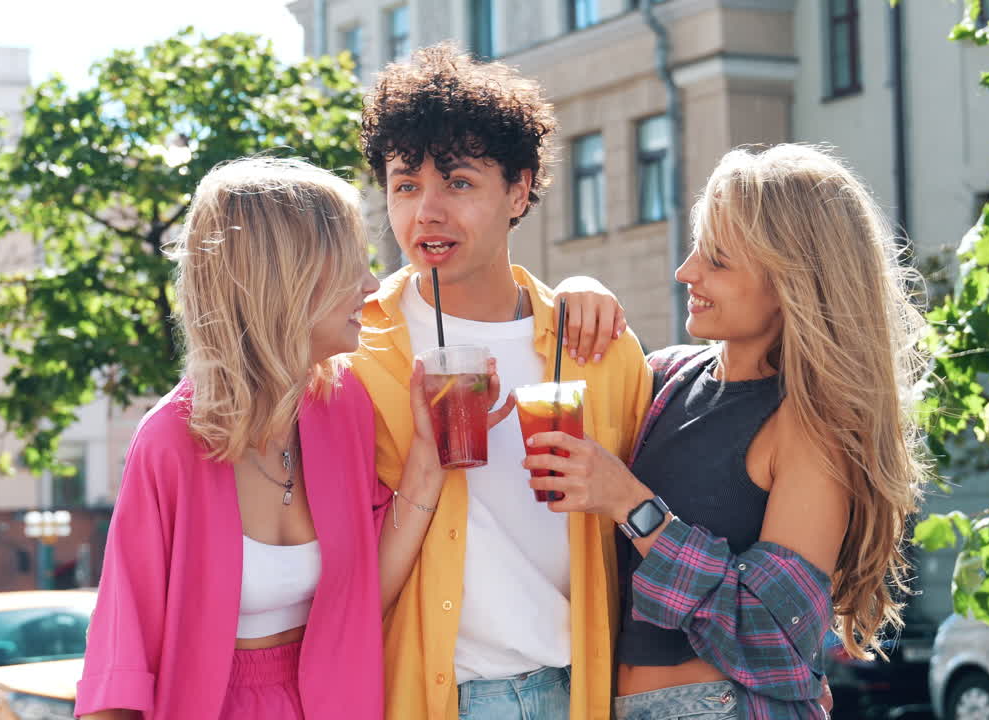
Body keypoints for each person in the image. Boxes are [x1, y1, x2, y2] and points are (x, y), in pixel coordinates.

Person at [74, 157, 514, 720]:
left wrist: (429, 458)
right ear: (288, 278)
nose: (371, 283)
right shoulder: (170, 442)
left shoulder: (343, 405)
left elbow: (360, 600)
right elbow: (120, 667)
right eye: (351, 264)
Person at [525, 144, 928, 719]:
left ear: (794, 281)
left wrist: (634, 507)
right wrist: (581, 290)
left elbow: (773, 634)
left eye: (717, 259)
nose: (685, 271)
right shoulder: (666, 379)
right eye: (696, 249)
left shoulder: (811, 428)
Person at [349, 43, 653, 720]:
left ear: (518, 190)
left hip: (576, 693)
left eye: (457, 183)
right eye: (405, 185)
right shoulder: (356, 352)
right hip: (421, 697)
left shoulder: (597, 349)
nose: (426, 211)